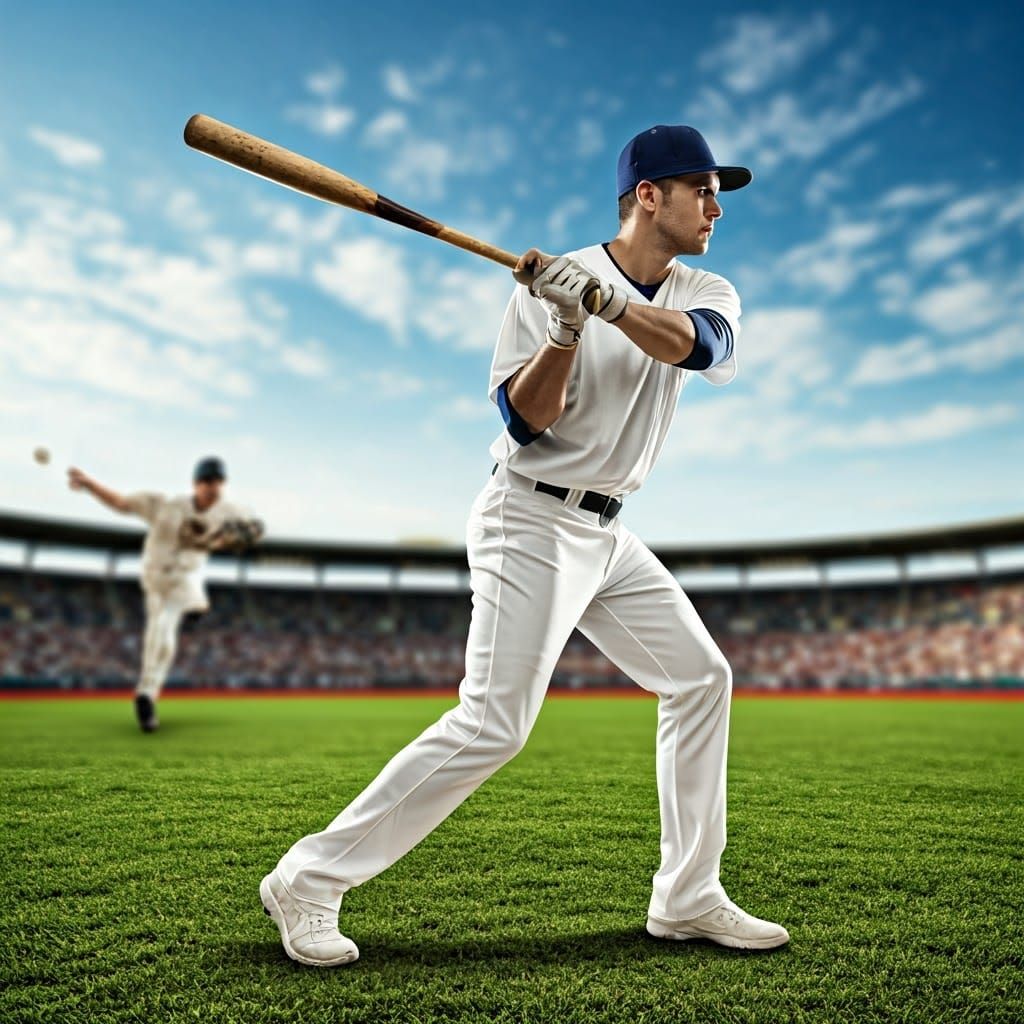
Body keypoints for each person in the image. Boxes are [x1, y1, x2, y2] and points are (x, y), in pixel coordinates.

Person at [261, 125, 789, 966]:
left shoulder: (705, 285)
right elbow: (523, 424)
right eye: (701, 187)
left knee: (701, 678)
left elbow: (704, 349)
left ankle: (688, 897)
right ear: (647, 195)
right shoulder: (545, 290)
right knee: (495, 723)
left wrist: (609, 305)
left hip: (609, 530)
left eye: (719, 190)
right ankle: (309, 879)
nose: (716, 204)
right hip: (531, 515)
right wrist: (567, 328)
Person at [68, 457, 263, 731]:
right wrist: (89, 485)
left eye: (218, 481)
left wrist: (240, 537)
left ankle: (146, 694)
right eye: (207, 481)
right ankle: (195, 608)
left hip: (185, 578)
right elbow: (121, 503)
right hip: (155, 577)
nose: (213, 487)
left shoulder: (229, 512)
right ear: (195, 483)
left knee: (164, 626)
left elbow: (255, 529)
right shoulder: (164, 505)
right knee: (159, 635)